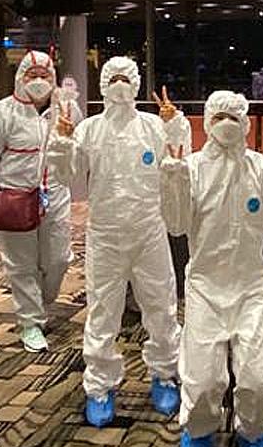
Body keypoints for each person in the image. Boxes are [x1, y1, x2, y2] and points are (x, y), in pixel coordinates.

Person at [48, 56, 188, 426]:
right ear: (103, 84)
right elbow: (64, 175)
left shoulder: (154, 127)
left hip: (149, 231)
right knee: (102, 311)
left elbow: (180, 161)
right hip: (105, 236)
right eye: (114, 77)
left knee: (160, 306)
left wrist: (176, 126)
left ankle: (165, 374)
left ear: (138, 83)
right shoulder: (90, 129)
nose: (120, 83)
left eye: (127, 77)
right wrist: (62, 139)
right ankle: (99, 386)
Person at [161, 91, 263, 447]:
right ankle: (199, 429)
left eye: (234, 117)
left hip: (251, 287)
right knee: (203, 379)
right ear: (206, 121)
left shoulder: (260, 167)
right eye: (219, 116)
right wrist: (173, 178)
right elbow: (175, 224)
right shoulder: (190, 167)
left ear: (246, 123)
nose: (226, 124)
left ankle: (255, 430)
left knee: (256, 376)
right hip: (206, 287)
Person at [0, 50, 72, 351]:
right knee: (21, 266)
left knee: (58, 259)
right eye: (31, 75)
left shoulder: (66, 109)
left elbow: (80, 151)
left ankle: (43, 300)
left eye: (44, 76)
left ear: (54, 79)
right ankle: (30, 322)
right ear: (20, 78)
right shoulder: (3, 111)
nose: (38, 81)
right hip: (13, 198)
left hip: (55, 196)